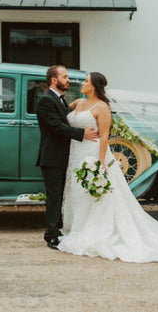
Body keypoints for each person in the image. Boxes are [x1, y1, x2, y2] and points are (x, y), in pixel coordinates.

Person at [57, 72, 158, 263]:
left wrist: (101, 162)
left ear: (94, 85)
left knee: (96, 193)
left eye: (86, 80)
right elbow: (59, 112)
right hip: (77, 152)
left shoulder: (102, 107)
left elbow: (104, 136)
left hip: (93, 152)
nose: (82, 83)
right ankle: (77, 225)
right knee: (78, 190)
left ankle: (92, 229)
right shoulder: (78, 103)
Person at [35, 65, 98, 249]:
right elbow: (56, 126)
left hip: (63, 156)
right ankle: (51, 234)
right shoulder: (46, 101)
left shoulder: (61, 100)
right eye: (65, 76)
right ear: (54, 80)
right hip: (52, 157)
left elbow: (65, 118)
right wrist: (82, 134)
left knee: (61, 194)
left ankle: (58, 229)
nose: (68, 79)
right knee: (54, 196)